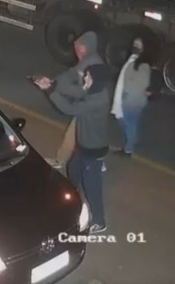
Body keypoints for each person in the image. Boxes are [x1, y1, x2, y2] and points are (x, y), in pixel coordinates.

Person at [38, 63, 111, 233]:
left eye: (88, 76)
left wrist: (49, 91)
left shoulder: (97, 99)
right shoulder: (93, 90)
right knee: (73, 168)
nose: (85, 78)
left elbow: (69, 108)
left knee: (92, 185)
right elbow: (77, 92)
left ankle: (99, 220)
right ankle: (70, 200)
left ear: (96, 81)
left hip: (92, 148)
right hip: (84, 142)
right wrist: (53, 85)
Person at [34, 31, 106, 170]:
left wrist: (52, 88)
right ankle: (91, 160)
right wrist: (54, 83)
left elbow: (76, 94)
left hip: (88, 106)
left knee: (82, 135)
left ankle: (87, 162)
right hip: (88, 105)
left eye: (79, 50)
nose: (77, 53)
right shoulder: (88, 60)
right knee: (76, 135)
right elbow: (71, 76)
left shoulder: (91, 64)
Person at [111, 37, 152, 157]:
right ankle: (133, 140)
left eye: (139, 44)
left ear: (144, 48)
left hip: (132, 100)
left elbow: (142, 83)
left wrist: (127, 94)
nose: (135, 46)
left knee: (129, 123)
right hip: (128, 98)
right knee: (126, 122)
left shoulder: (143, 64)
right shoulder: (133, 59)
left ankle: (129, 149)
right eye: (134, 43)